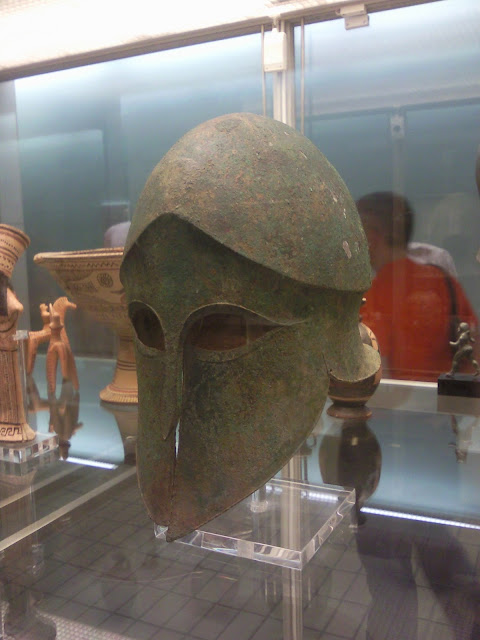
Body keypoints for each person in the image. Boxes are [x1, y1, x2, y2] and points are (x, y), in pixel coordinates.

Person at [358, 191, 478, 381]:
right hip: (449, 396)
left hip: (400, 397)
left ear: (372, 237)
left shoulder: (373, 295)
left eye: (356, 232)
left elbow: (370, 375)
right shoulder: (444, 281)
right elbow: (474, 349)